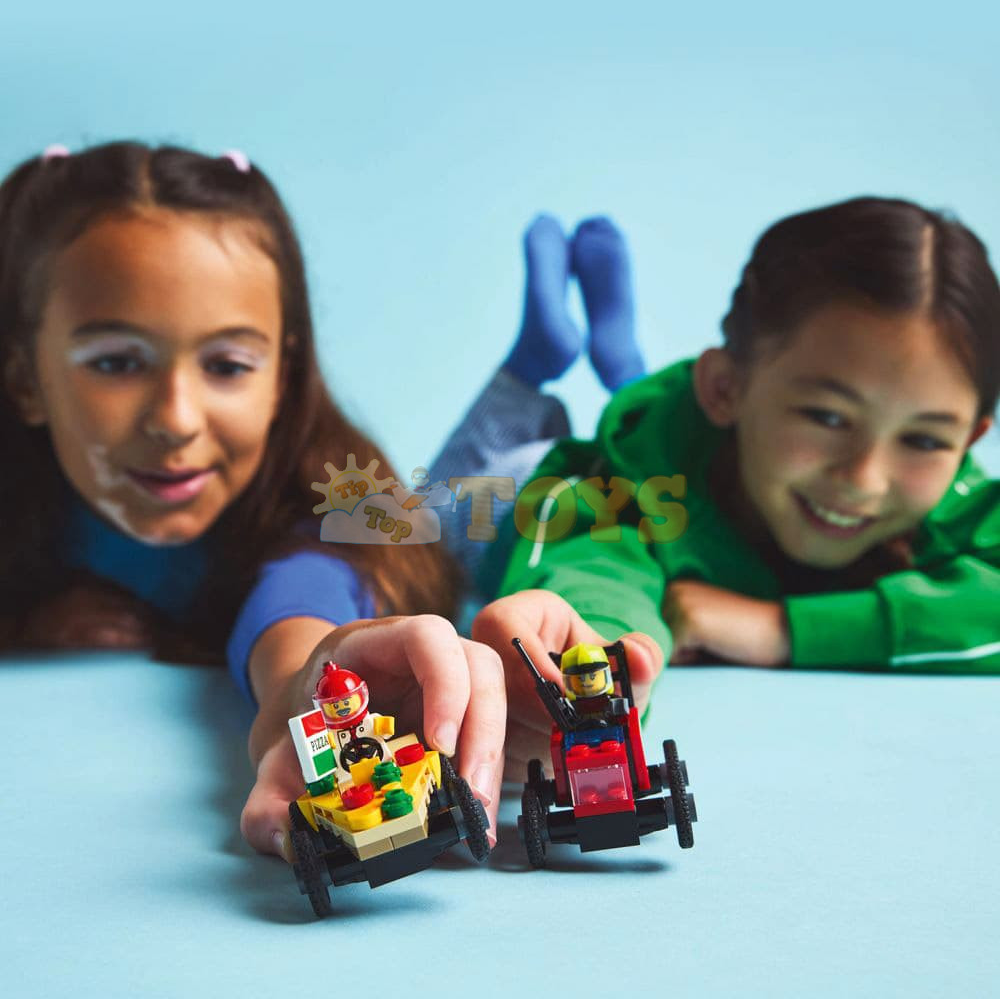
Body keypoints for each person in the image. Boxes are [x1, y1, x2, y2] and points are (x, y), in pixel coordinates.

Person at [0, 141, 506, 859]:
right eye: (116, 362)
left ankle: (525, 374)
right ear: (24, 378)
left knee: (488, 482)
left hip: (440, 511)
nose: (176, 419)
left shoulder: (320, 521)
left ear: (281, 380)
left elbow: (298, 615)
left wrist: (311, 686)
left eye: (228, 365)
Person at [474, 197, 1000, 766]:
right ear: (724, 389)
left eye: (924, 440)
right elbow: (597, 573)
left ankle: (629, 375)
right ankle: (526, 369)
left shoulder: (955, 499)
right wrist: (601, 655)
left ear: (970, 439)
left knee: (663, 425)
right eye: (827, 416)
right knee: (440, 502)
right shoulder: (625, 493)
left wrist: (780, 631)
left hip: (699, 432)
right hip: (516, 491)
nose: (863, 481)